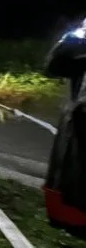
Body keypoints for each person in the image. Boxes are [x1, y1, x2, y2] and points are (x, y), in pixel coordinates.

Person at [42, 17, 86, 235]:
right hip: (75, 117)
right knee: (68, 170)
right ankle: (67, 218)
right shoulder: (79, 47)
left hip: (78, 116)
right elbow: (53, 66)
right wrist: (71, 39)